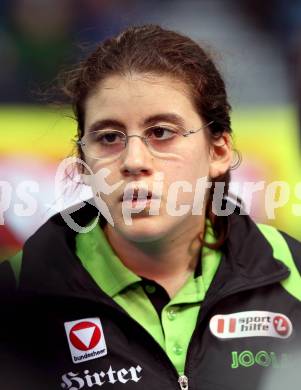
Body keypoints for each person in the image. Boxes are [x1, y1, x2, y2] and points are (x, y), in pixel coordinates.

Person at [1, 24, 301, 390]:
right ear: (83, 160)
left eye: (161, 132)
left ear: (218, 151)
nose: (133, 160)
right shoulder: (16, 297)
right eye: (108, 137)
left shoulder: (294, 275)